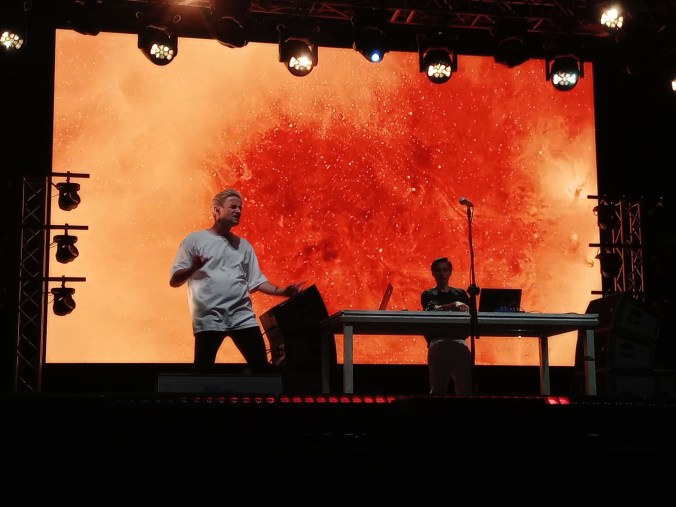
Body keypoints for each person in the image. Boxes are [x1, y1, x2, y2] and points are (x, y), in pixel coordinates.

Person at [169, 188, 303, 373]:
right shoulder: (195, 240)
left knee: (261, 369)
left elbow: (257, 281)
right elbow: (175, 280)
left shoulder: (243, 246)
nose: (238, 211)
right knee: (202, 371)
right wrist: (192, 268)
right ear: (217, 210)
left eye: (240, 208)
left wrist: (283, 292)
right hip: (209, 318)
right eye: (233, 207)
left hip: (242, 318)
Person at [420, 256, 473, 395]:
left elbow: (471, 314)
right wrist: (453, 305)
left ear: (450, 272)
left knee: (465, 388)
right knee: (438, 388)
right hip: (438, 341)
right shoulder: (428, 294)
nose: (442, 273)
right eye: (438, 270)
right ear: (433, 273)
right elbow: (431, 309)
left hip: (459, 341)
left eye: (445, 270)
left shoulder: (460, 293)